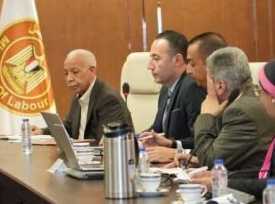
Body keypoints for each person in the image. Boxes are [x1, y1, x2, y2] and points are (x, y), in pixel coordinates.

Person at [187, 48, 275, 177]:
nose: (202, 85)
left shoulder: (240, 111)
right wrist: (196, 159)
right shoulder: (246, 98)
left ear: (220, 85)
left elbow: (211, 161)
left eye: (209, 79)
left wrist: (205, 116)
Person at [33, 49, 132, 141]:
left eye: (75, 72)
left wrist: (78, 144)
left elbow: (105, 141)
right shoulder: (79, 95)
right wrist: (42, 131)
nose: (69, 79)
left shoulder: (108, 99)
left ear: (92, 71)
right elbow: (69, 127)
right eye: (66, 73)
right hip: (80, 152)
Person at [140, 30, 206, 162]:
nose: (149, 66)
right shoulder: (165, 89)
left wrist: (173, 147)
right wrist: (137, 138)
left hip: (186, 165)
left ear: (177, 60)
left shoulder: (191, 87)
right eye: (150, 58)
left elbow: (200, 141)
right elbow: (157, 129)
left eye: (156, 58)